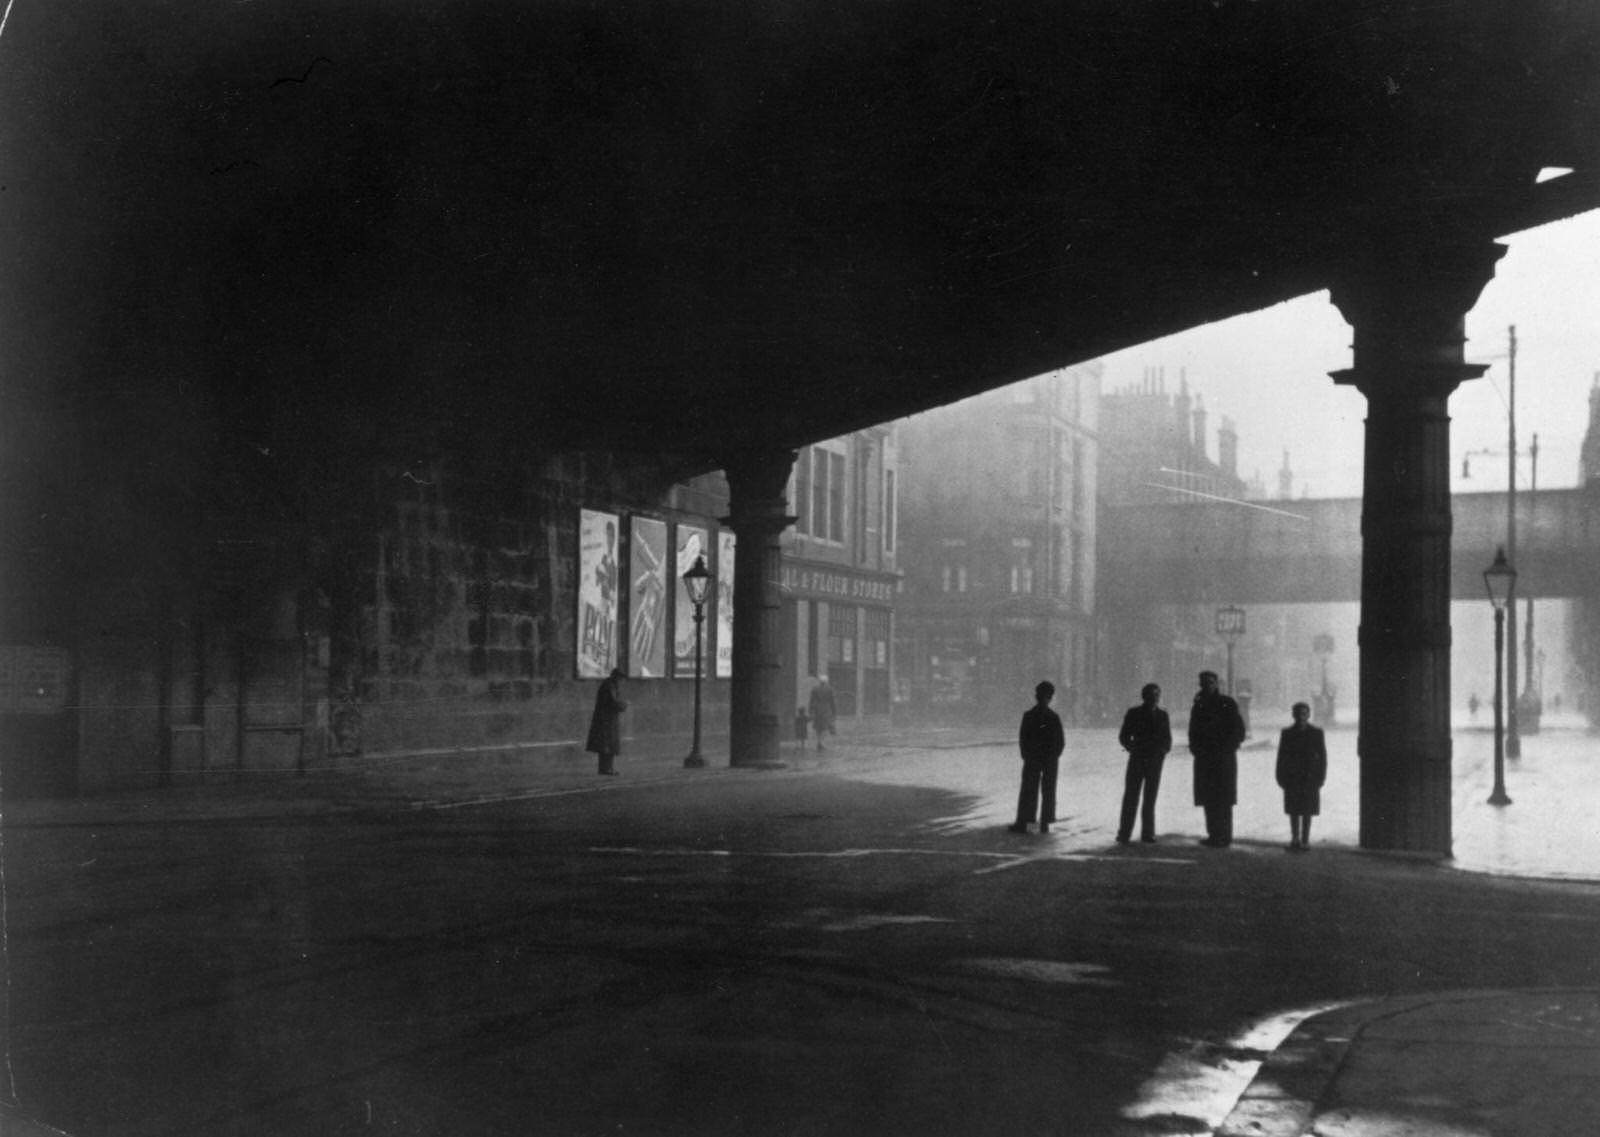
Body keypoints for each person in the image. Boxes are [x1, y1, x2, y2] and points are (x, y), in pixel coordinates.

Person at [1188, 670, 1245, 848]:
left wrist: (1228, 748)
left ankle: (1225, 836)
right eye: (1204, 683)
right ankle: (1213, 834)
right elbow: (1193, 730)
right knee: (1208, 798)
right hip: (1205, 758)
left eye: (1211, 682)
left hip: (1223, 758)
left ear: (1217, 684)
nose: (1207, 686)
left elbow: (1238, 730)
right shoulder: (1198, 704)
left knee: (1224, 798)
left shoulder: (1227, 703)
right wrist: (1195, 748)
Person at [1116, 682, 1172, 845]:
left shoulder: (1163, 715)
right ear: (1144, 697)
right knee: (1131, 797)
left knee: (1150, 798)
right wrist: (1132, 748)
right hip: (1138, 760)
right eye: (1150, 695)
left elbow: (1167, 739)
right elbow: (1124, 736)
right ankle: (1124, 833)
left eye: (1156, 695)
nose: (1153, 699)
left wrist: (1162, 752)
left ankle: (1147, 833)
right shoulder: (1134, 713)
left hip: (1154, 761)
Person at [1008, 681, 1065, 835]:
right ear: (1050, 698)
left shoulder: (1029, 716)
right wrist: (1053, 756)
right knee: (1048, 791)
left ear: (1036, 696)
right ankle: (1045, 823)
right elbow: (1059, 742)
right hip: (1048, 759)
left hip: (1033, 758)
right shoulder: (1053, 717)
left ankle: (1026, 822)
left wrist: (1026, 754)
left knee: (1028, 791)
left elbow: (1023, 738)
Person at [1276, 702, 1327, 851]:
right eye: (1298, 713)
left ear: (1308, 715)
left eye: (1304, 713)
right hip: (1292, 777)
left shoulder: (1316, 733)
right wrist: (1280, 776)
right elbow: (1282, 756)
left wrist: (1321, 777)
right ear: (1293, 715)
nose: (1301, 717)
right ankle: (1295, 838)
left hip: (1310, 777)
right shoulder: (1287, 733)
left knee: (1307, 809)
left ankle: (1305, 839)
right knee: (1293, 809)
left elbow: (1323, 758)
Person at [585, 667, 628, 776]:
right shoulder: (610, 685)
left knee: (606, 745)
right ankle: (606, 768)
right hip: (607, 720)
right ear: (616, 677)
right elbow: (613, 701)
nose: (622, 681)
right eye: (621, 678)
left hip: (605, 719)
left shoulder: (609, 684)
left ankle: (605, 768)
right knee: (608, 744)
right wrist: (623, 705)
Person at [808, 677, 837, 751]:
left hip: (817, 710)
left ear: (820, 681)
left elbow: (811, 701)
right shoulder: (830, 689)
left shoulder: (815, 689)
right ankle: (821, 742)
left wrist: (811, 711)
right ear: (826, 681)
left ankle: (819, 741)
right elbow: (832, 701)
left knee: (818, 727)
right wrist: (834, 712)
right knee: (825, 727)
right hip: (826, 709)